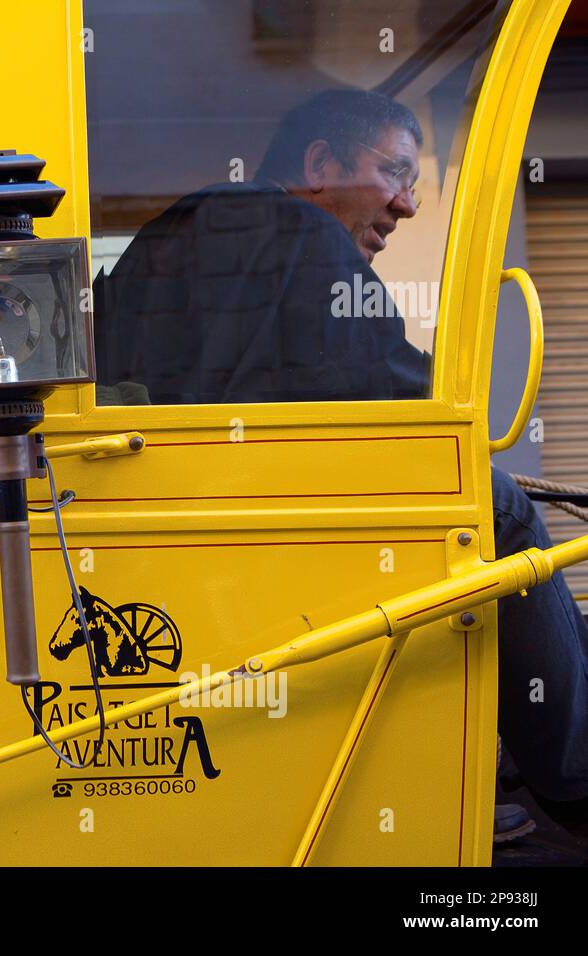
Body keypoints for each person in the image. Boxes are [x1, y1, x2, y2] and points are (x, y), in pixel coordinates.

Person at [95, 89, 588, 840]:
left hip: (182, 524)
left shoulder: (169, 234)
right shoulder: (300, 233)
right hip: (276, 522)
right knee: (497, 508)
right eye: (393, 172)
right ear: (320, 164)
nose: (408, 205)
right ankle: (573, 772)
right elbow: (400, 402)